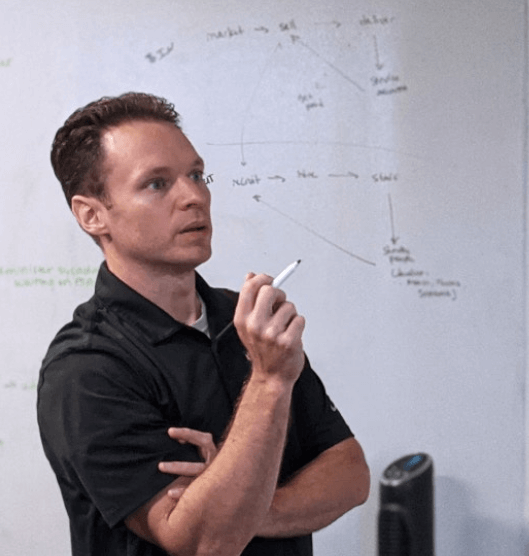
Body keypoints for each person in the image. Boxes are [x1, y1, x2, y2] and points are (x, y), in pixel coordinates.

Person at [37, 92, 370, 556]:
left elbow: (350, 475)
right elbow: (202, 541)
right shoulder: (86, 368)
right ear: (92, 215)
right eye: (156, 184)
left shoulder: (246, 322)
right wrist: (270, 381)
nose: (194, 196)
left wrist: (244, 501)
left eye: (196, 174)